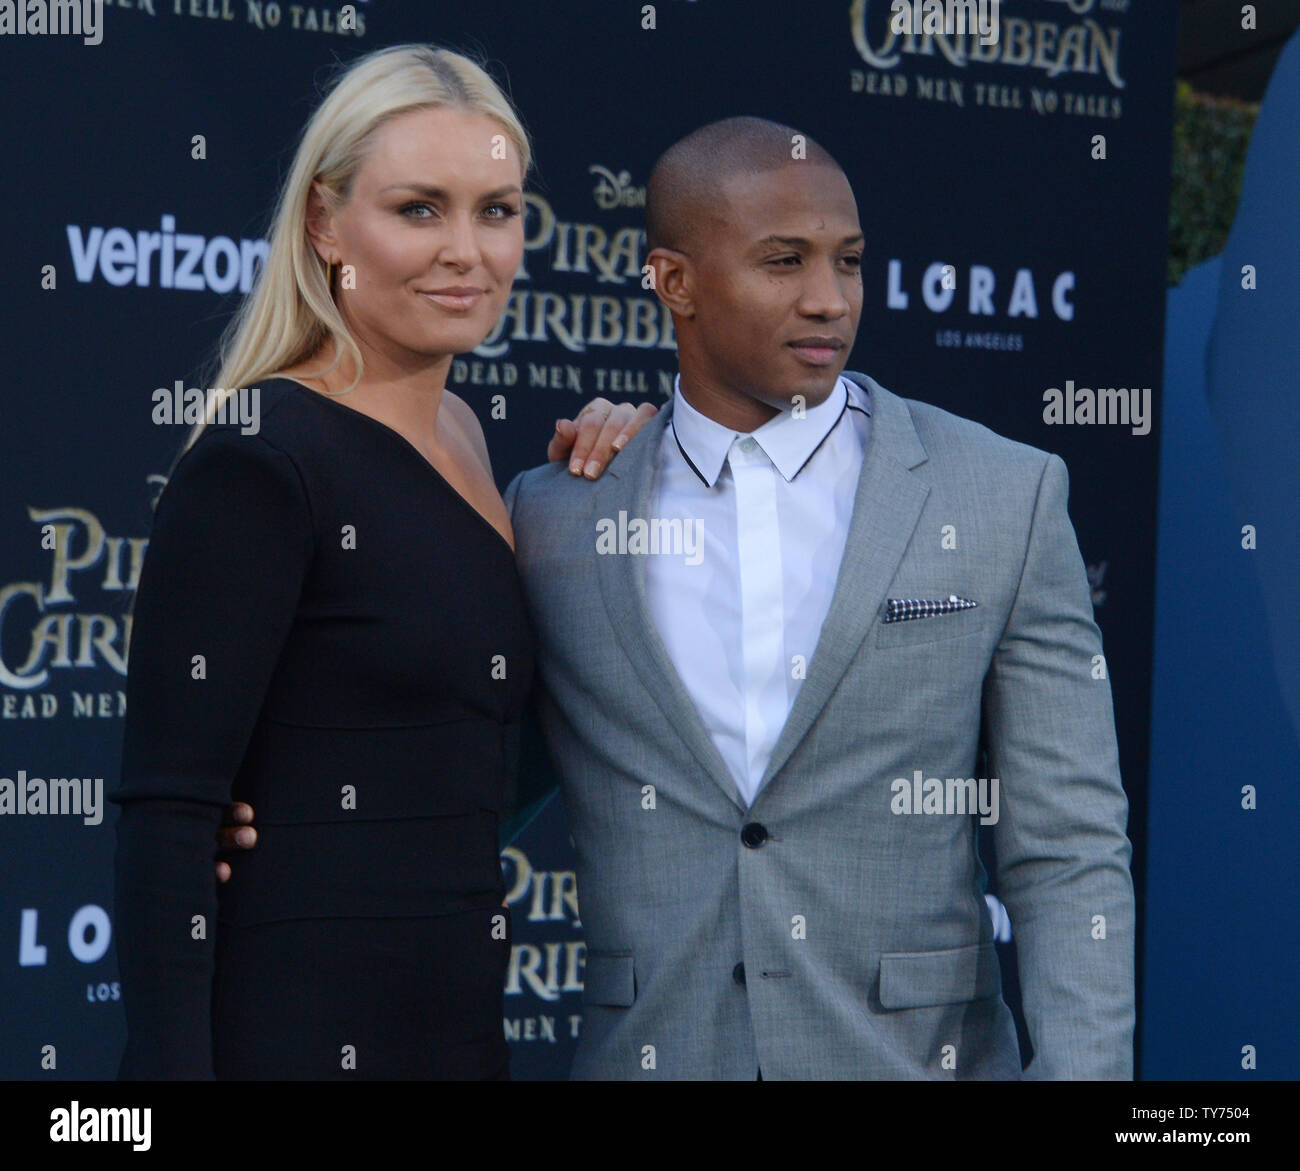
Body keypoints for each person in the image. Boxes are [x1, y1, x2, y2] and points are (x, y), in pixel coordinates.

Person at [225, 115, 1137, 1079]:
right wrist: (260, 815)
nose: (829, 300)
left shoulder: (1003, 493)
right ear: (674, 283)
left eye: (850, 261)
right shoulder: (555, 518)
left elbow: (1068, 845)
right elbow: (458, 782)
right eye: (783, 262)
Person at [109, 43, 655, 1081]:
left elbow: (471, 755)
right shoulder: (263, 459)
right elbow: (168, 818)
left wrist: (629, 481)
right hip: (290, 1035)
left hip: (456, 1034)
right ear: (325, 222)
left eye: (497, 209)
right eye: (418, 208)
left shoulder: (467, 438)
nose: (466, 250)